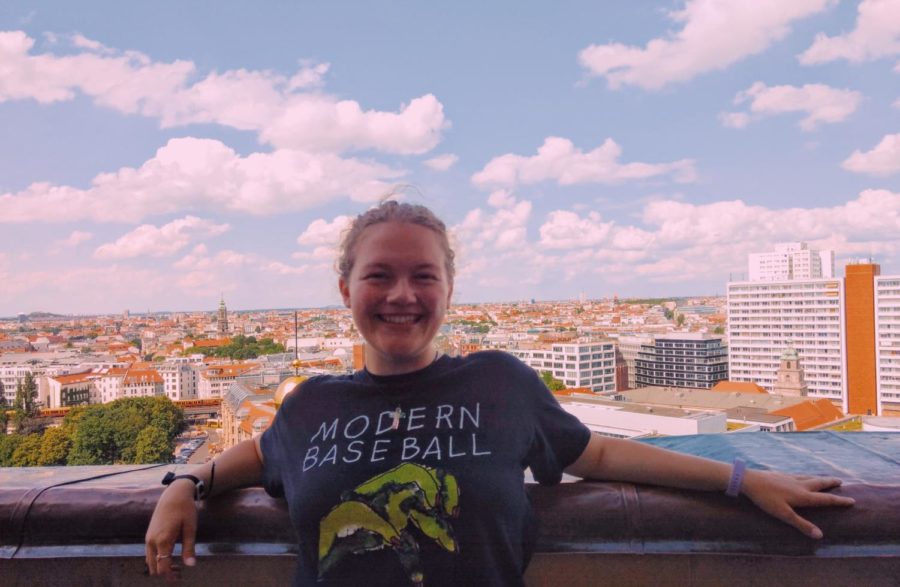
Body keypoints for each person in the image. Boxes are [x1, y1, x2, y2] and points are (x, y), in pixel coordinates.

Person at [145, 201, 855, 585]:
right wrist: (184, 484)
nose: (401, 294)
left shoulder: (500, 382)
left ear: (448, 290)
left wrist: (741, 477)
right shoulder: (310, 403)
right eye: (379, 275)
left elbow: (601, 452)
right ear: (346, 291)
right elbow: (260, 451)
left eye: (423, 275)